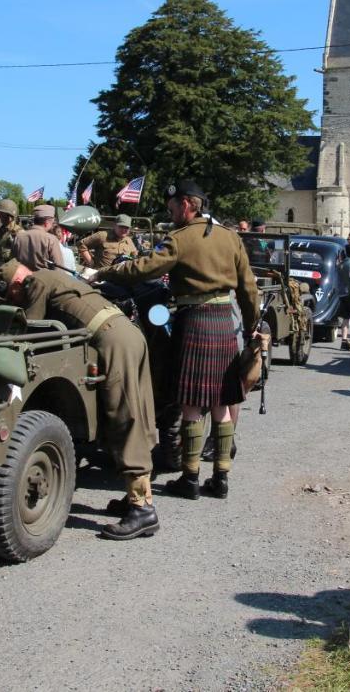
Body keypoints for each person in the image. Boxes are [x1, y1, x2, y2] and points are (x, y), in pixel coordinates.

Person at [94, 180, 259, 501]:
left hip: (194, 321)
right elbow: (248, 288)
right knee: (222, 403)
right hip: (225, 321)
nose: (170, 213)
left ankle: (191, 478)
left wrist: (104, 274)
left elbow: (143, 268)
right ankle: (221, 478)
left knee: (191, 405)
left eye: (172, 208)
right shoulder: (230, 237)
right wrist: (251, 326)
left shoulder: (181, 238)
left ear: (186, 204)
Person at [0, 259, 160, 539]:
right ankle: (134, 496)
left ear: (17, 285)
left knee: (125, 416)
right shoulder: (51, 275)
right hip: (124, 333)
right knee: (136, 411)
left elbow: (30, 332)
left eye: (13, 296)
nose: (15, 300)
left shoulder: (35, 283)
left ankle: (143, 510)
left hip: (113, 340)